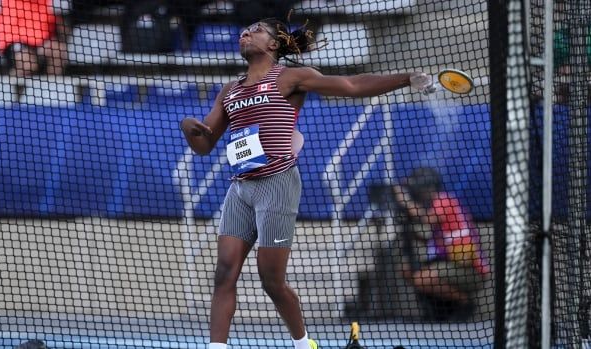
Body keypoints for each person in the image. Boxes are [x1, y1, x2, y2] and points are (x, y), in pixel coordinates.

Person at [180, 16, 432, 349]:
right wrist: (190, 129)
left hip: (278, 183)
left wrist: (405, 79)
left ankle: (303, 344)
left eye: (256, 29)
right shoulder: (230, 91)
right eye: (244, 29)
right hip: (240, 187)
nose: (245, 32)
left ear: (273, 43)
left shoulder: (290, 78)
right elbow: (203, 146)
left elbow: (352, 85)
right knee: (224, 272)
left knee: (271, 280)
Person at [392, 167, 490, 321]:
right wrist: (415, 237)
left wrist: (405, 200)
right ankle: (439, 311)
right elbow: (440, 242)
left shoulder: (444, 200)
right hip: (452, 264)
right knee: (407, 270)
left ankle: (465, 303)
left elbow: (425, 218)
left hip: (470, 271)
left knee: (421, 279)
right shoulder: (436, 203)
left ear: (428, 188)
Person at [0, 0, 69, 77]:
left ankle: (51, 86)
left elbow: (57, 19)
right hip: (16, 41)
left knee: (58, 50)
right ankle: (14, 83)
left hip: (42, 42)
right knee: (28, 63)